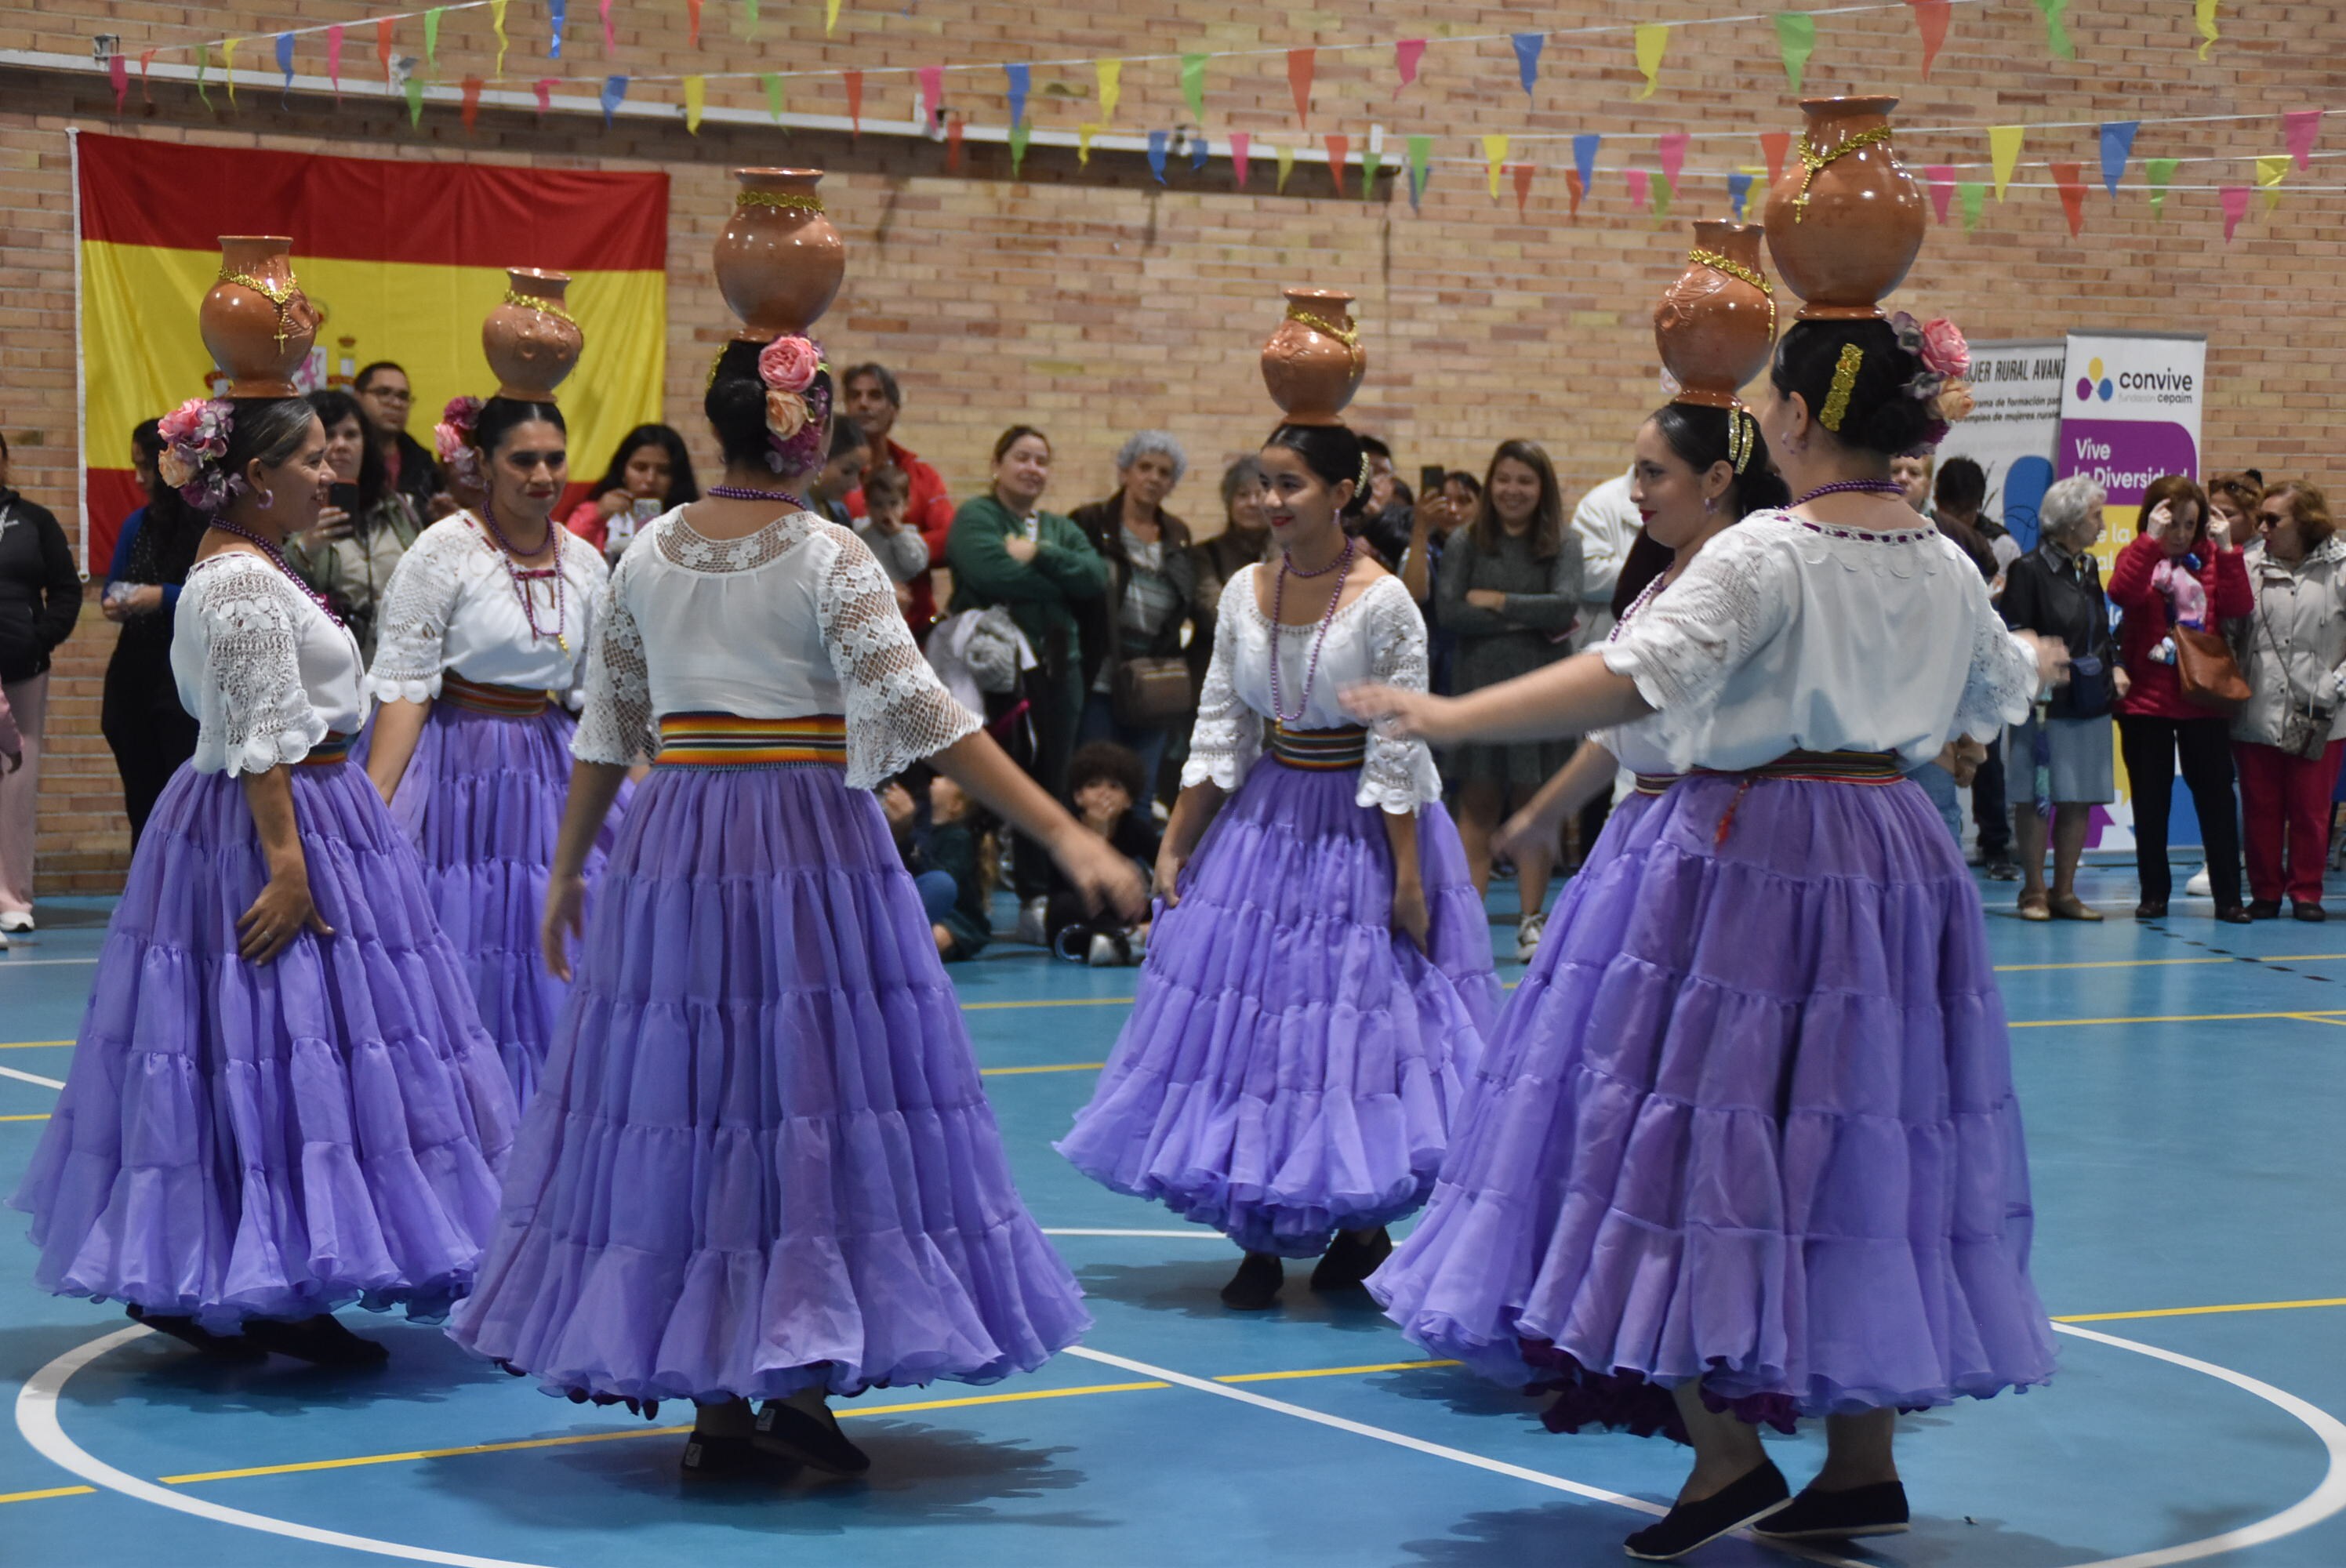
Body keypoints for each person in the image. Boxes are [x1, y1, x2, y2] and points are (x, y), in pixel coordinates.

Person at [1353, 310, 2061, 1561]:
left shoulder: (1771, 553)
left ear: (1793, 415)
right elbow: (1996, 692)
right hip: (1892, 851)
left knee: (1685, 1140)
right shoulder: (1945, 557)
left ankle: (1728, 1461)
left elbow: (1633, 677)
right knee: (1857, 1140)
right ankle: (1859, 1463)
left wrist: (1451, 714)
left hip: (1757, 853)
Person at [445, 328, 1146, 1480]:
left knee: (700, 1101)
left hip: (680, 840)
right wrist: (1066, 830)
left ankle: (725, 1402)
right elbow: (931, 719)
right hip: (809, 840)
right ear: (803, 426)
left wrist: (573, 868)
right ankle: (795, 1372)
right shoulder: (827, 553)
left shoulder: (649, 550)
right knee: (814, 1090)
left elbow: (609, 728)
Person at [13, 393, 516, 1366]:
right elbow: (255, 733)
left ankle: (268, 1271)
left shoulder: (253, 563)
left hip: (308, 809)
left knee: (292, 1046)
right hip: (275, 822)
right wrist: (287, 865)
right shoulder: (239, 580)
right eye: (313, 459)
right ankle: (265, 1281)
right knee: (280, 1041)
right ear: (255, 476)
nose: (330, 474)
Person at [1058, 419, 1500, 1312]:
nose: (1271, 500)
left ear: (1344, 493)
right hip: (1266, 819)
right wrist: (1178, 836)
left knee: (1350, 1028)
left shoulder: (1384, 603)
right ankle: (1254, 1226)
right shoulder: (1241, 593)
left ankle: (1359, 1221)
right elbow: (1221, 720)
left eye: (1291, 483)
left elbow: (1397, 747)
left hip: (1363, 833)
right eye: (1265, 482)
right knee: (1255, 1033)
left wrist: (1409, 879)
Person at [363, 392, 616, 1107]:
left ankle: (549, 1112)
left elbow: (602, 695)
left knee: (559, 933)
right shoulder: (444, 549)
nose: (542, 474)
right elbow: (408, 683)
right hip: (457, 769)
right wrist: (375, 803)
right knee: (462, 936)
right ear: (484, 464)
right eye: (523, 459)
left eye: (554, 458)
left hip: (550, 765)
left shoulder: (588, 564)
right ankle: (463, 1108)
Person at [1487, 408, 1789, 891]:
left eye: (1653, 474)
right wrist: (1545, 814)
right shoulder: (1668, 578)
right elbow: (1617, 726)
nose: (1635, 492)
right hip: (1647, 817)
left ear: (1716, 479)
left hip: (1710, 836)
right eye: (1637, 473)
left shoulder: (1736, 575)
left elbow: (1627, 691)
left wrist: (1453, 717)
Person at [946, 426, 1109, 939]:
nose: (1033, 468)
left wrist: (1038, 555)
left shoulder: (1058, 529)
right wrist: (1059, 585)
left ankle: (1038, 898)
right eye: (1022, 457)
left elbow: (1095, 577)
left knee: (1051, 780)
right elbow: (990, 572)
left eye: (1042, 460)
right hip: (988, 675)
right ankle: (965, 902)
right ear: (997, 465)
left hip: (1060, 672)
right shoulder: (976, 516)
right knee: (978, 782)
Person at [1436, 440, 1585, 960]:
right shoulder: (1464, 544)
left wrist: (1498, 602)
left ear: (1541, 488)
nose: (1512, 490)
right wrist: (1531, 615)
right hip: (1478, 690)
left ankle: (1531, 922)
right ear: (1490, 482)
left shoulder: (1563, 543)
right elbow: (1451, 612)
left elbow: (1565, 605)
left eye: (1525, 480)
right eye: (1504, 479)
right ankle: (1467, 924)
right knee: (1476, 807)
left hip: (1542, 693)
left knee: (1534, 808)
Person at [2108, 473, 2251, 923]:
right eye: (2173, 523)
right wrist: (2150, 542)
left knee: (2215, 798)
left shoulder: (2211, 559)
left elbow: (2239, 606)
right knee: (2151, 802)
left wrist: (2227, 551)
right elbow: (2122, 592)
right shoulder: (2141, 554)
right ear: (2154, 519)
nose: (2181, 534)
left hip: (2202, 697)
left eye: (2190, 524)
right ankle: (2154, 893)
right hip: (2145, 702)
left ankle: (2229, 897)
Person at [2003, 477, 2121, 921]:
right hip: (2044, 704)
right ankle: (2033, 890)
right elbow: (2014, 634)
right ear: (2069, 522)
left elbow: (2100, 629)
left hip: (2088, 697)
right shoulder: (2028, 569)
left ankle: (2064, 891)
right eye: (2095, 517)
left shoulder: (2086, 568)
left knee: (2078, 796)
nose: (2102, 526)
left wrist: (2117, 666)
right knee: (2038, 796)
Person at [2234, 481, 2346, 920]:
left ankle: (2306, 893)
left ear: (2306, 523)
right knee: (2260, 808)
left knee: (2312, 811)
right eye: (2260, 518)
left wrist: (2339, 682)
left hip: (2321, 711)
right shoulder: (2247, 565)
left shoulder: (2341, 569)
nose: (2262, 527)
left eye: (2273, 520)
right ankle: (2264, 891)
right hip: (2256, 706)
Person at [1070, 430, 1200, 790]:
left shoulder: (1178, 533)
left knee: (1140, 794)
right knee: (1096, 786)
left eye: (1164, 472)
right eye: (1145, 467)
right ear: (1125, 471)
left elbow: (1183, 601)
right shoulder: (1090, 522)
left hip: (1153, 683)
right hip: (1100, 677)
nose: (1154, 478)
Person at [100, 419, 204, 845]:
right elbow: (113, 586)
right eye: (135, 467)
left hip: (181, 676)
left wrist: (162, 596)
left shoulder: (206, 524)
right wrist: (115, 602)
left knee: (181, 796)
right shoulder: (135, 525)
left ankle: (182, 893)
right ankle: (145, 888)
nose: (140, 478)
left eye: (147, 467)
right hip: (135, 670)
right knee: (141, 797)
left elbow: (213, 594)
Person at [0, 430, 81, 932]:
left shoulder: (34, 520)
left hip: (23, 665)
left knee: (17, 777)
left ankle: (12, 901)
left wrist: (41, 638)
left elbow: (67, 590)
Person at [283, 389, 426, 665]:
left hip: (396, 667)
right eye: (328, 435)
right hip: (325, 670)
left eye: (351, 435)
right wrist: (304, 549)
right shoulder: (286, 511)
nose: (340, 445)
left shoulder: (399, 509)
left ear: (366, 442)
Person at [840, 362, 955, 631]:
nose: (863, 404)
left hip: (914, 627)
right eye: (855, 396)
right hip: (851, 622)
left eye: (875, 396)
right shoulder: (831, 475)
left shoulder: (921, 475)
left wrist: (898, 548)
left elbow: (947, 537)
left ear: (894, 409)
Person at [1046, 739, 1160, 966]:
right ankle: (1129, 940)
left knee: (1162, 905)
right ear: (1078, 796)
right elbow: (1062, 885)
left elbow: (1163, 864)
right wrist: (1097, 834)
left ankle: (1122, 941)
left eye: (1114, 787)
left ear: (1129, 800)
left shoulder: (1136, 828)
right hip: (1084, 909)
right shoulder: (1066, 832)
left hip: (1125, 910)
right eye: (1094, 785)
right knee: (1063, 906)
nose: (1103, 793)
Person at [563, 423, 699, 561]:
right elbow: (565, 556)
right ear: (623, 471)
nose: (650, 479)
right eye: (640, 468)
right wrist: (597, 515)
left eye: (663, 471)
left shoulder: (689, 519)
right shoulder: (596, 512)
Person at [354, 361, 445, 519]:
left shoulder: (424, 465)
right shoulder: (338, 456)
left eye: (403, 397)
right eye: (383, 393)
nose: (396, 403)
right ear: (357, 397)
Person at [851, 465, 932, 615]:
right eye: (878, 504)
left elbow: (914, 565)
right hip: (867, 601)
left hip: (899, 606)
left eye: (893, 504)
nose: (886, 511)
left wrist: (897, 534)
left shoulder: (910, 536)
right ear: (867, 505)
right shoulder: (859, 532)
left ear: (906, 505)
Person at [805, 412, 873, 526]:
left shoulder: (840, 512)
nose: (855, 484)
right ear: (820, 459)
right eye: (847, 471)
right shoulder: (791, 511)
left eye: (860, 474)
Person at [2207, 470, 2263, 551]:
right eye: (2212, 514)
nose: (2215, 521)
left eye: (2227, 515)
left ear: (2253, 516)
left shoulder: (2265, 556)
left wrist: (2226, 550)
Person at [1890, 450, 1934, 516]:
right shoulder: (1869, 521)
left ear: (1928, 487)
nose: (1903, 478)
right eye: (1895, 471)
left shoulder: (1942, 525)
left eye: (1914, 473)